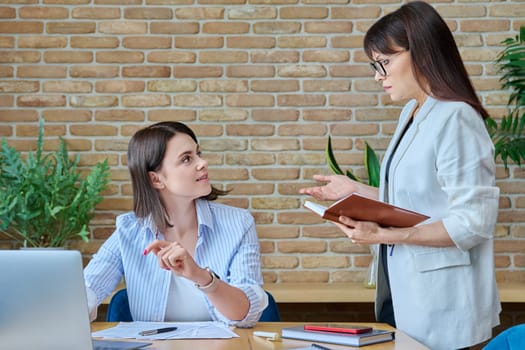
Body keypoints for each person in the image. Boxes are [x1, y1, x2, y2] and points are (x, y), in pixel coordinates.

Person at [300, 2, 500, 349]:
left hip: (444, 301)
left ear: (421, 52)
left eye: (385, 62)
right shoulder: (413, 111)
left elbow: (474, 221)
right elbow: (418, 197)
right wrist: (356, 190)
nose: (378, 74)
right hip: (409, 292)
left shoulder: (456, 118)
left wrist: (385, 235)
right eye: (374, 65)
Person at [84, 121, 267, 327]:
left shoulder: (238, 224)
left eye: (198, 153)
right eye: (187, 159)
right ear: (156, 179)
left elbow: (246, 315)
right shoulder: (129, 231)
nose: (202, 163)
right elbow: (87, 290)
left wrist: (200, 276)